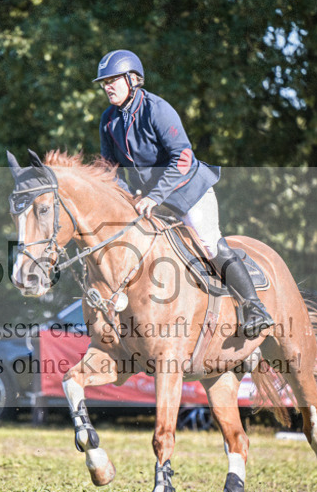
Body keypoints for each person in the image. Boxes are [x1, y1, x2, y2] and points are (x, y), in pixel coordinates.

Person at [93, 49, 274, 337]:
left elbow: (183, 157)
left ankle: (254, 307)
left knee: (208, 242)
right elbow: (109, 168)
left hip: (188, 190)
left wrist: (154, 196)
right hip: (151, 200)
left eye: (113, 79)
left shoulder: (157, 109)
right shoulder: (108, 119)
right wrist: (128, 199)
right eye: (105, 82)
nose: (107, 86)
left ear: (132, 79)